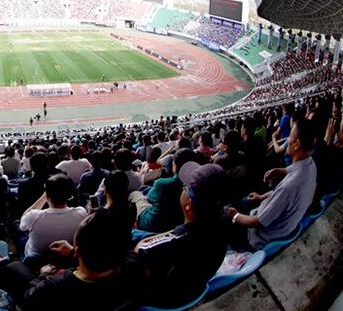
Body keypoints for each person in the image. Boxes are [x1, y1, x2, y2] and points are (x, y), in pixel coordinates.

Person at [134, 162, 228, 308]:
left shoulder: (169, 245)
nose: (182, 190)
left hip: (165, 300)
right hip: (194, 288)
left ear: (189, 203)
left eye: (185, 188)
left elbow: (141, 250)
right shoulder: (225, 223)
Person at [21, 210, 139, 311]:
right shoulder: (133, 268)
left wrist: (43, 274)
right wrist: (73, 251)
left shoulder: (53, 285)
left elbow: (28, 299)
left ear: (78, 250)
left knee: (15, 266)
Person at [226, 118, 317, 250]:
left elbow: (257, 222)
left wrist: (234, 215)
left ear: (297, 144)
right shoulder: (310, 164)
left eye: (290, 136)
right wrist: (263, 194)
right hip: (280, 222)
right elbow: (289, 172)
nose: (287, 140)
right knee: (246, 201)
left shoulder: (288, 187)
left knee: (227, 217)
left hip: (259, 237)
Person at [19, 174, 87, 265]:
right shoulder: (81, 213)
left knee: (21, 237)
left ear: (47, 194)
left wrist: (44, 197)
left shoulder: (34, 216)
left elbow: (23, 221)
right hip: (67, 260)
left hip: (36, 261)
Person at [130, 149, 196, 233]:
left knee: (135, 194)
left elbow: (149, 198)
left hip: (153, 223)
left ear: (175, 165)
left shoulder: (162, 184)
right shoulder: (196, 184)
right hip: (177, 221)